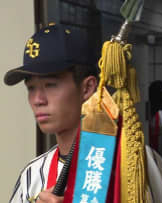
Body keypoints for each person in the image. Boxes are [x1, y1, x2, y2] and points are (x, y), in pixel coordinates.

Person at [5, 24, 98, 203]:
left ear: (87, 88)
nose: (38, 99)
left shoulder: (131, 161)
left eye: (50, 85)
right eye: (31, 88)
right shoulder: (32, 175)